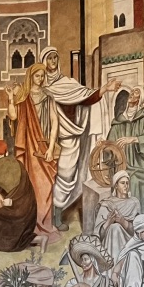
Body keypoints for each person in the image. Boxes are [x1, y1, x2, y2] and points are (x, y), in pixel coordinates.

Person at [39, 46, 122, 230]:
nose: (53, 61)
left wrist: (105, 89)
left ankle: (60, 213)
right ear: (43, 62)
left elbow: (87, 97)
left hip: (71, 137)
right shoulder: (41, 88)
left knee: (68, 176)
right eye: (49, 58)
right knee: (56, 176)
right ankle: (53, 218)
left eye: (55, 58)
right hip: (50, 139)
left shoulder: (68, 83)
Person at [7, 63, 60, 244]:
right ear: (30, 77)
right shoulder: (23, 96)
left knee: (45, 186)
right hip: (28, 147)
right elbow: (13, 117)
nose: (40, 78)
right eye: (37, 75)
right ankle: (29, 228)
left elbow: (54, 122)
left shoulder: (48, 97)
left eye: (42, 75)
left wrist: (51, 149)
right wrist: (10, 98)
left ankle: (43, 225)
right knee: (28, 186)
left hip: (43, 147)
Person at [106, 87, 144, 221]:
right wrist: (104, 143)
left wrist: (133, 139)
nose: (132, 93)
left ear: (140, 98)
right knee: (132, 180)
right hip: (123, 162)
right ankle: (130, 216)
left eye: (136, 92)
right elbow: (110, 141)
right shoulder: (120, 119)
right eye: (131, 91)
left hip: (138, 160)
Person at [93, 170, 141, 261]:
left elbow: (138, 231)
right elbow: (98, 235)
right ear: (115, 185)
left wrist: (123, 222)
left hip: (129, 241)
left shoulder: (134, 202)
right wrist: (108, 223)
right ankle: (114, 263)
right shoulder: (107, 203)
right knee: (114, 228)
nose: (126, 186)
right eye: (122, 183)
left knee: (115, 227)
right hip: (110, 241)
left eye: (127, 183)